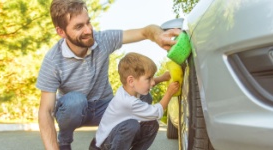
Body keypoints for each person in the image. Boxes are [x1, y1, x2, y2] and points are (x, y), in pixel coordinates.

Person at [36, 0, 181, 149]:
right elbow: (45, 111)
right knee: (76, 101)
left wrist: (158, 36)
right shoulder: (53, 61)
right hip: (75, 111)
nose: (88, 30)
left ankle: (111, 142)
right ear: (61, 32)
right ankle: (65, 141)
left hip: (104, 106)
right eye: (79, 26)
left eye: (88, 22)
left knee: (144, 96)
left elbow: (145, 31)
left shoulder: (102, 40)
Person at [89, 52, 180, 150]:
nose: (152, 82)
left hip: (110, 139)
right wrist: (169, 93)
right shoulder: (127, 102)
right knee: (131, 125)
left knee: (151, 123)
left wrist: (162, 78)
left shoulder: (127, 89)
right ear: (131, 81)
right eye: (149, 78)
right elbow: (156, 112)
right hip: (101, 147)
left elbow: (141, 85)